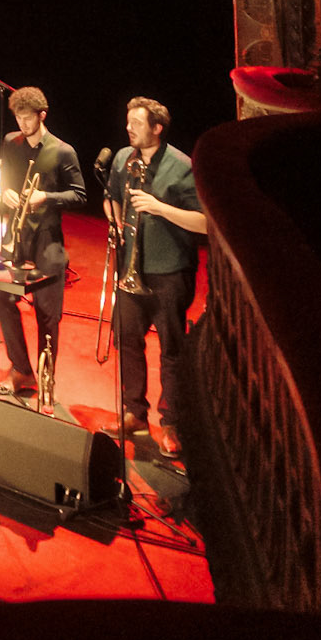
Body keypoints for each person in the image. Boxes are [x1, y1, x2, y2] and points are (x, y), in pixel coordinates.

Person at [104, 96, 206, 458]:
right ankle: (135, 412)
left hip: (169, 271)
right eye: (128, 121)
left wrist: (160, 208)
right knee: (127, 341)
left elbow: (205, 222)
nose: (128, 128)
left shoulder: (182, 166)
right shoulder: (123, 158)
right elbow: (111, 197)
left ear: (157, 128)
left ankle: (172, 423)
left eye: (136, 123)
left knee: (171, 350)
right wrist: (116, 219)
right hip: (131, 269)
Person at [0, 86, 86, 399]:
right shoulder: (11, 143)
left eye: (27, 117)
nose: (22, 123)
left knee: (48, 314)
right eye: (18, 117)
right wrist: (5, 191)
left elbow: (79, 195)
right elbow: (5, 179)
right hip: (17, 236)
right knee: (3, 299)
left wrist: (44, 196)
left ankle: (47, 379)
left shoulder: (63, 151)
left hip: (47, 238)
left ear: (42, 115)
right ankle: (21, 369)